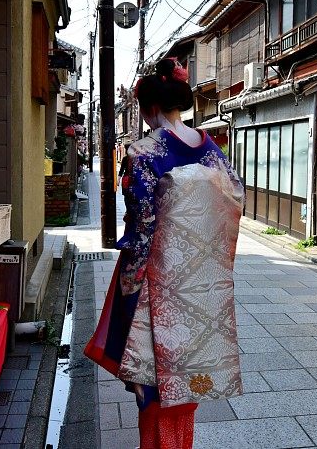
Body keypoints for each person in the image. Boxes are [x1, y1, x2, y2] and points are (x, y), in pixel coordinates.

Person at [85, 58, 245, 449]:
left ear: (149, 108)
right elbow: (233, 203)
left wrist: (129, 282)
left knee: (152, 382)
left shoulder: (144, 152)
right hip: (202, 284)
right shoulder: (211, 151)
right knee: (185, 379)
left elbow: (141, 227)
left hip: (154, 285)